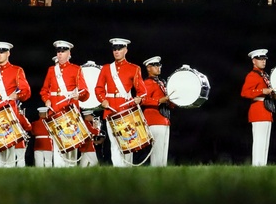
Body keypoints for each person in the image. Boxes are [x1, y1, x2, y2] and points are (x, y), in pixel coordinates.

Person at [94, 37, 148, 167]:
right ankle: (118, 169)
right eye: (114, 49)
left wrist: (139, 99)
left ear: (126, 50)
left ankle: (127, 169)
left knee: (128, 142)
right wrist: (103, 101)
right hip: (110, 109)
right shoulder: (106, 68)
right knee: (114, 142)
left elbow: (142, 91)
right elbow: (99, 89)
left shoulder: (134, 68)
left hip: (127, 109)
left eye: (119, 49)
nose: (116, 51)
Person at [39, 40, 91, 167]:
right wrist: (46, 99)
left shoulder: (76, 69)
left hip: (70, 111)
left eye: (63, 51)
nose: (60, 54)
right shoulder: (51, 70)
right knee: (58, 144)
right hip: (55, 110)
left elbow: (85, 91)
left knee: (72, 142)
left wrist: (79, 94)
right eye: (58, 51)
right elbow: (44, 90)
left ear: (69, 53)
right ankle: (58, 169)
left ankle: (71, 170)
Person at [240, 48, 276, 166]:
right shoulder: (252, 75)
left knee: (265, 142)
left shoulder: (264, 75)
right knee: (259, 141)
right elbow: (244, 92)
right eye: (260, 59)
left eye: (264, 59)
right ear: (253, 61)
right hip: (258, 109)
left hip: (266, 109)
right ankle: (257, 166)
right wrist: (263, 90)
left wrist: (274, 94)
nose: (263, 61)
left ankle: (262, 166)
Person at [142, 56, 175, 167]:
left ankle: (162, 174)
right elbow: (142, 100)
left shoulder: (161, 83)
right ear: (148, 68)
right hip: (154, 120)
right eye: (155, 66)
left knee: (163, 150)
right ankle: (156, 173)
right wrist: (159, 100)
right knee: (157, 151)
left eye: (159, 65)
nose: (158, 67)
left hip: (164, 120)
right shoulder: (147, 83)